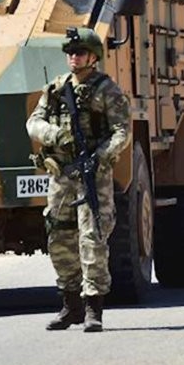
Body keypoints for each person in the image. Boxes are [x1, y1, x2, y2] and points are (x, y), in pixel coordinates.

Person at [26, 27, 131, 332]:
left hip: (93, 175)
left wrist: (100, 156)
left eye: (80, 53)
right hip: (62, 175)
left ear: (93, 57)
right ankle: (70, 305)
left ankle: (93, 308)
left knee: (92, 237)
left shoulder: (107, 90)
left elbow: (122, 132)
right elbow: (34, 123)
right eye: (70, 53)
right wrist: (55, 134)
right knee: (59, 238)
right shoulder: (56, 89)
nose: (74, 57)